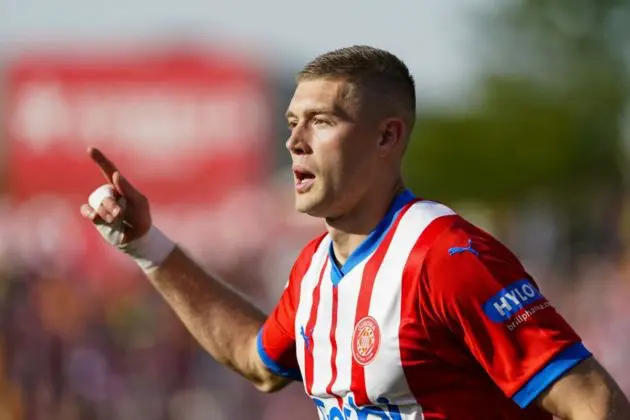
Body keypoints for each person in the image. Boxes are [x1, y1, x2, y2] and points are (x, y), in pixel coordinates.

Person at [81, 45, 630, 419]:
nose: (296, 141)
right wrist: (146, 245)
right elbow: (257, 359)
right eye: (291, 123)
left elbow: (596, 404)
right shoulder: (315, 268)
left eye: (321, 121)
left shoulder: (445, 257)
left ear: (388, 137)